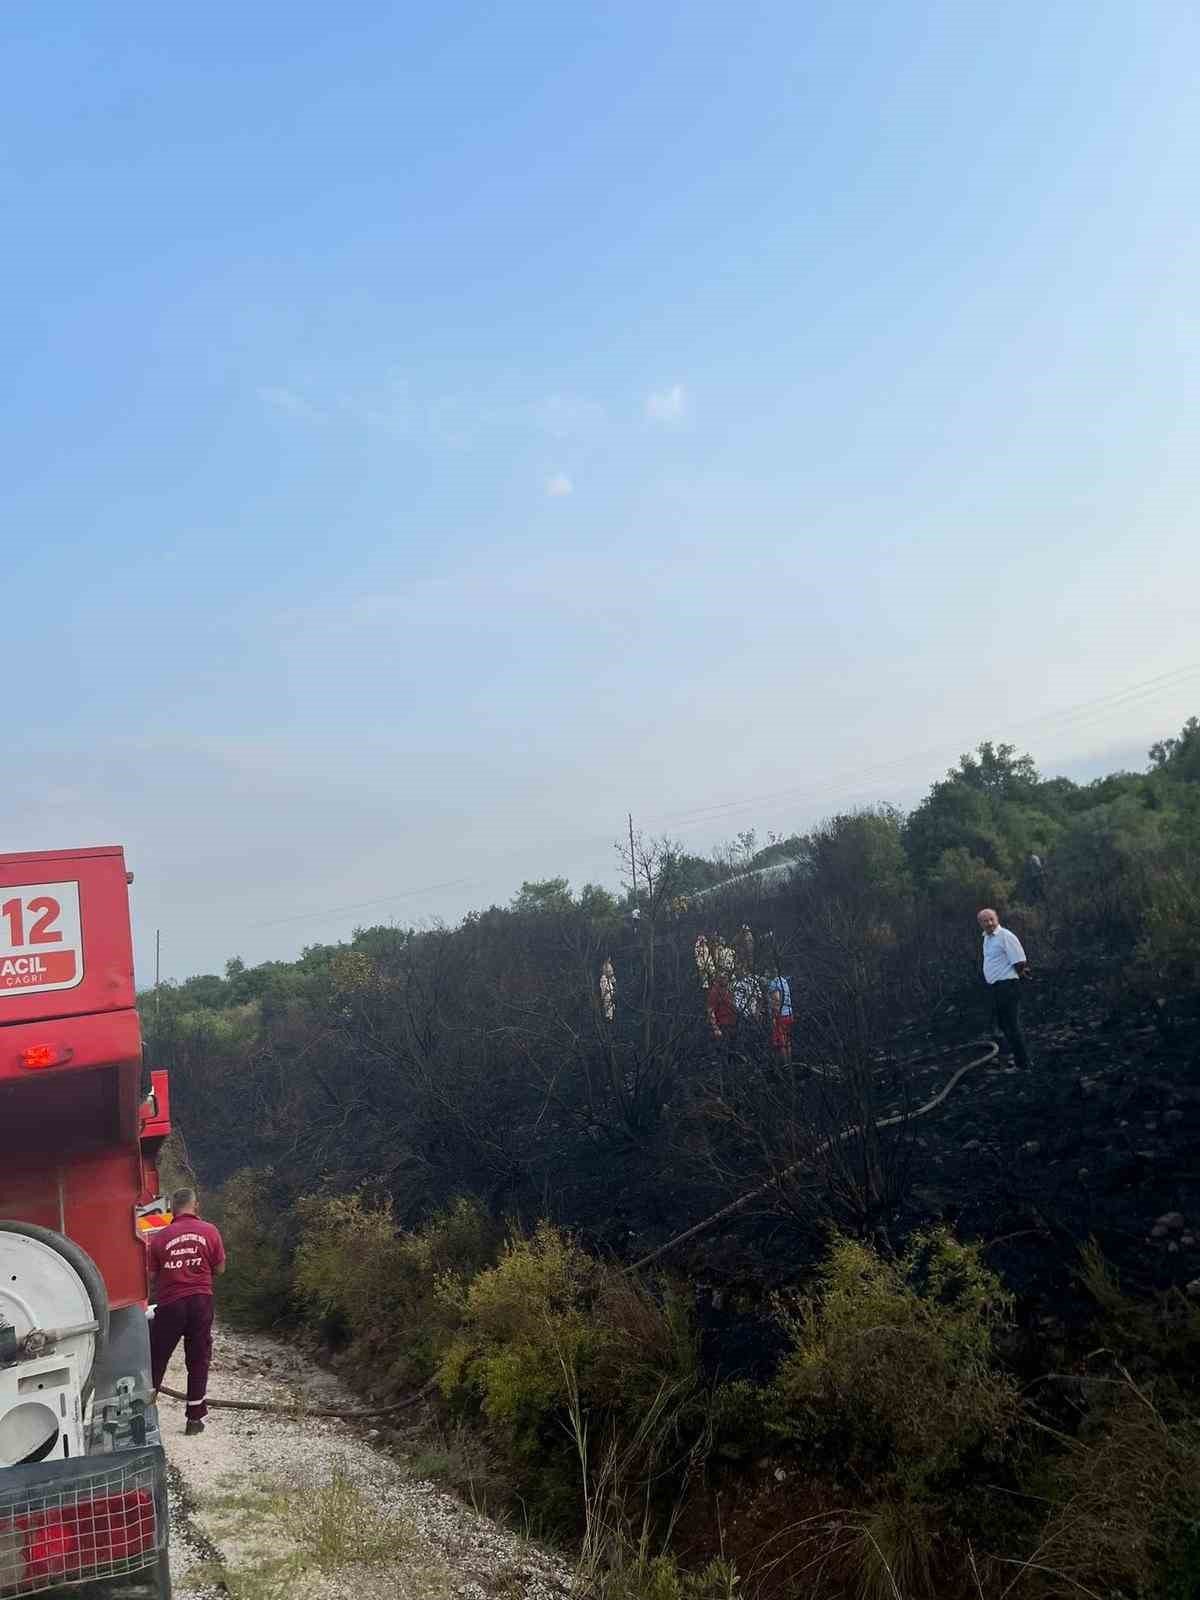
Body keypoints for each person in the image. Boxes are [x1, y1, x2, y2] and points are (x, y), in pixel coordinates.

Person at [148, 1187, 226, 1435]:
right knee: (199, 1358)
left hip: (171, 1304)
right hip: (201, 1302)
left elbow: (151, 1275)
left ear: (172, 1208)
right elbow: (220, 1268)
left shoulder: (160, 1237)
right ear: (196, 1206)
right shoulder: (210, 1231)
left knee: (156, 1358)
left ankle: (145, 1415)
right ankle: (194, 1419)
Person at [976, 908, 1033, 1071]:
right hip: (997, 988)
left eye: (991, 919)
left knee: (1012, 1025)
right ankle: (1017, 1059)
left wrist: (1019, 974)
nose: (989, 923)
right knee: (1004, 1025)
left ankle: (1023, 1064)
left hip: (1007, 986)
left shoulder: (1005, 936)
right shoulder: (987, 938)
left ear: (997, 919)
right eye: (985, 921)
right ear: (980, 923)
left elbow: (1020, 960)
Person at [767, 970, 794, 1061]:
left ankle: (785, 1065)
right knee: (788, 1041)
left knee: (781, 1042)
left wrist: (774, 1016)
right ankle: (790, 1063)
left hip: (780, 1016)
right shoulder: (784, 981)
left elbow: (776, 999)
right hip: (789, 1014)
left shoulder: (774, 983)